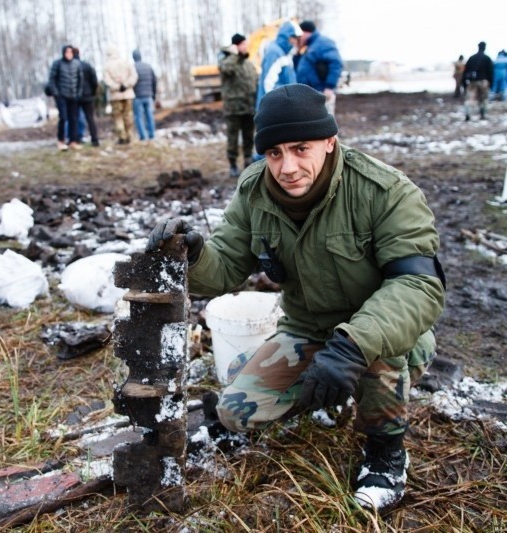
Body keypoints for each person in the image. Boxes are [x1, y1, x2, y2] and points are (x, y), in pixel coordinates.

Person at [146, 84, 445, 514]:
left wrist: (351, 346)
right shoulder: (254, 191)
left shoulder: (384, 191)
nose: (288, 167)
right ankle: (332, 393)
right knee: (235, 411)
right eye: (274, 153)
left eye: (301, 148)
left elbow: (418, 287)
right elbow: (227, 265)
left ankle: (386, 453)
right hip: (306, 329)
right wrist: (193, 254)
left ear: (329, 142)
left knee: (379, 356)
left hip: (377, 332)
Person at [219, 33, 258, 177]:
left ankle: (248, 161)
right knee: (233, 138)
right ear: (236, 46)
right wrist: (234, 54)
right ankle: (233, 165)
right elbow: (226, 69)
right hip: (233, 109)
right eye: (243, 44)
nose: (245, 47)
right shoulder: (227, 61)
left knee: (249, 137)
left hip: (248, 107)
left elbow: (255, 80)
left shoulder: (248, 64)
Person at [294, 20, 344, 115]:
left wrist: (329, 87)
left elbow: (336, 63)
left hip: (321, 92)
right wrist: (298, 51)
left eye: (300, 35)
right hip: (309, 94)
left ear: (306, 33)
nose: (298, 38)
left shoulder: (323, 43)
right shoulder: (308, 47)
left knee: (323, 125)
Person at [255, 20, 300, 108]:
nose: (295, 41)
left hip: (281, 107)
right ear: (287, 36)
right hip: (273, 109)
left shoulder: (284, 54)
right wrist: (287, 99)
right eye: (294, 37)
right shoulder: (274, 53)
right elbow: (269, 85)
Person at [48, 45, 83, 151]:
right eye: (67, 52)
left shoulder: (76, 64)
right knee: (63, 118)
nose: (69, 54)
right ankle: (61, 140)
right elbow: (52, 79)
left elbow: (80, 79)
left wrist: (78, 93)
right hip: (62, 95)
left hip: (73, 95)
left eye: (70, 52)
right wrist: (56, 93)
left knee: (74, 119)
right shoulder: (57, 64)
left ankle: (73, 140)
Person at [103, 46, 138, 145]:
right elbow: (134, 76)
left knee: (118, 117)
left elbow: (107, 80)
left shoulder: (107, 65)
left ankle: (122, 137)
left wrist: (117, 87)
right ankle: (129, 135)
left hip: (115, 95)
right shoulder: (126, 62)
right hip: (128, 94)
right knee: (128, 115)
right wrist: (126, 85)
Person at [74, 47, 100, 147]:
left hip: (76, 96)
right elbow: (94, 81)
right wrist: (92, 92)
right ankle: (95, 139)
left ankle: (76, 139)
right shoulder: (87, 65)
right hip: (88, 95)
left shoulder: (71, 66)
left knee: (75, 118)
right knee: (90, 118)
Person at [461, 41, 493, 121]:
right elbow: (491, 72)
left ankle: (468, 114)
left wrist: (464, 83)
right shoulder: (487, 58)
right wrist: (491, 83)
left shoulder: (472, 58)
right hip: (483, 81)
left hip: (473, 81)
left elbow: (465, 71)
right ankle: (482, 114)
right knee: (483, 99)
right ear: (484, 47)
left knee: (470, 99)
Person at [131, 49, 157, 141]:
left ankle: (143, 136)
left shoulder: (133, 68)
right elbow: (154, 81)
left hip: (137, 96)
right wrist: (153, 94)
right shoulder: (148, 66)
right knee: (149, 115)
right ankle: (152, 134)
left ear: (133, 57)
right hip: (148, 95)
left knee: (138, 116)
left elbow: (131, 83)